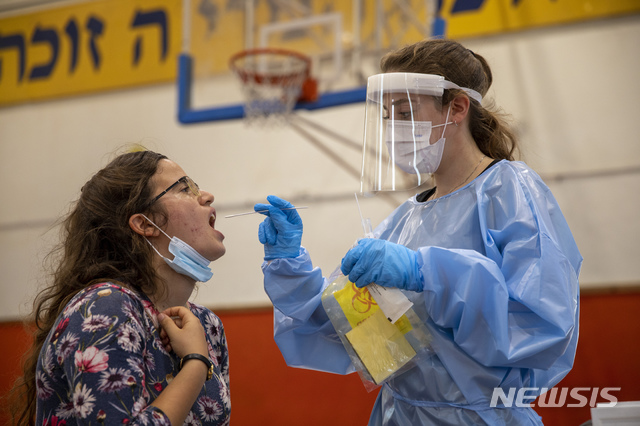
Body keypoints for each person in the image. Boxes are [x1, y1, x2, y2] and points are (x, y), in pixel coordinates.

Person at [253, 38, 581, 425]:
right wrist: (289, 265)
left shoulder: (509, 191)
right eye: (387, 113)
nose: (393, 127)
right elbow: (345, 326)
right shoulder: (405, 220)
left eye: (405, 110)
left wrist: (427, 273)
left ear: (457, 107)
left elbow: (540, 325)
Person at [10, 149, 231, 425]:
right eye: (185, 188)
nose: (206, 196)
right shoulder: (104, 307)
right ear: (144, 223)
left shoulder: (206, 325)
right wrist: (196, 362)